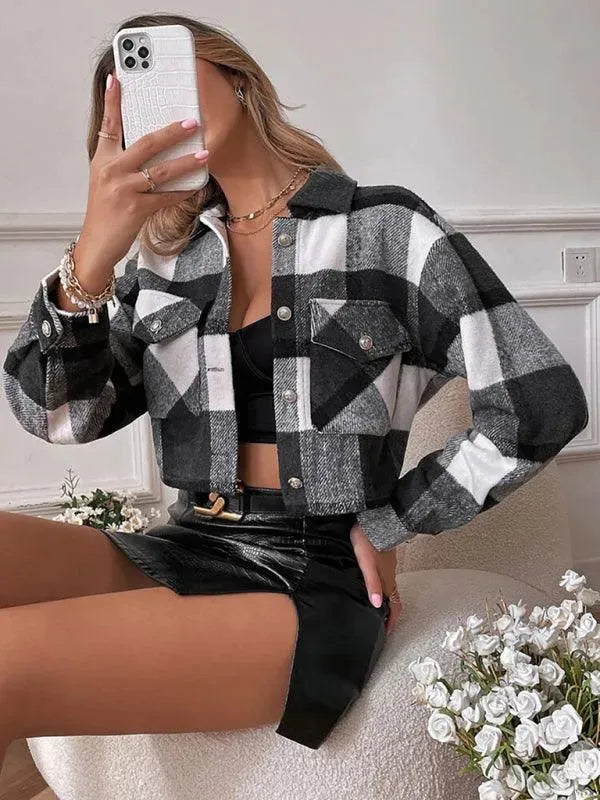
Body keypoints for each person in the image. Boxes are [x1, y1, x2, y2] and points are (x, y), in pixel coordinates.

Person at [0, 11, 588, 762]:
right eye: (131, 102)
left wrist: (394, 521)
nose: (156, 106)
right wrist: (92, 255)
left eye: (167, 72)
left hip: (311, 573)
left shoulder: (386, 228)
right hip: (183, 542)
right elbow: (59, 417)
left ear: (238, 79)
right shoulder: (167, 263)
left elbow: (539, 402)